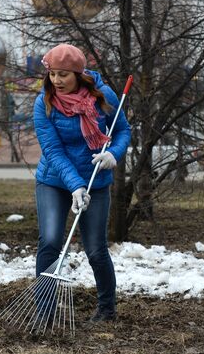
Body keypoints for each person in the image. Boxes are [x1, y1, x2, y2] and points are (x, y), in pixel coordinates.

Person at [34, 43, 131, 322]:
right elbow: (53, 150)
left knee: (96, 249)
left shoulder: (104, 96)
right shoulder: (45, 103)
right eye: (52, 74)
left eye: (63, 74)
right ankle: (44, 313)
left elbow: (122, 130)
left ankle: (107, 310)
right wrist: (75, 185)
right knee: (51, 242)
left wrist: (113, 154)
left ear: (78, 73)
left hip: (95, 182)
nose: (56, 81)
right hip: (54, 180)